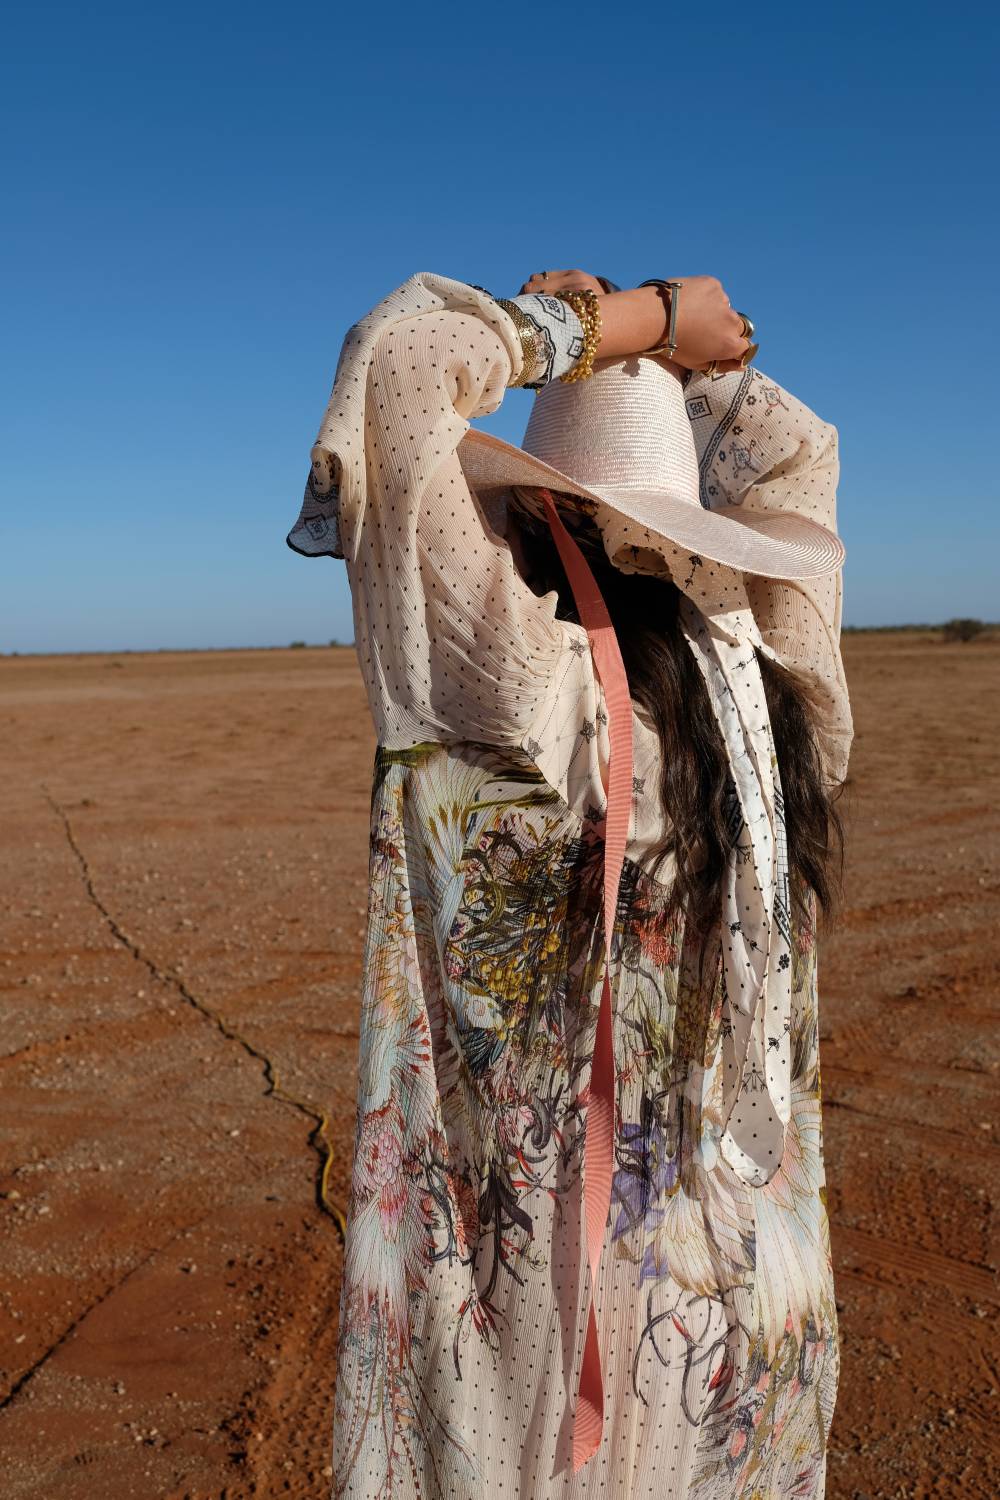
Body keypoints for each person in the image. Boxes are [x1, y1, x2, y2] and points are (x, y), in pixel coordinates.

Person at [287, 266, 852, 1499]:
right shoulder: (771, 687)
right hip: (751, 1281)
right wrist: (704, 356)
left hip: (548, 1315)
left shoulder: (516, 684)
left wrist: (627, 321)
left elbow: (401, 370)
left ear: (540, 515)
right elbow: (799, 461)